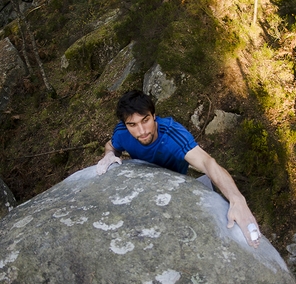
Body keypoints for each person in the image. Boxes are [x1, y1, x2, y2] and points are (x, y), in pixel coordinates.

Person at [96, 89, 261, 248]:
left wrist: (237, 200)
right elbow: (111, 145)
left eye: (145, 120)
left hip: (177, 185)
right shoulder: (122, 132)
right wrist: (109, 154)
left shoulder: (172, 134)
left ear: (154, 116)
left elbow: (207, 163)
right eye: (132, 125)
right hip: (146, 182)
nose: (141, 131)